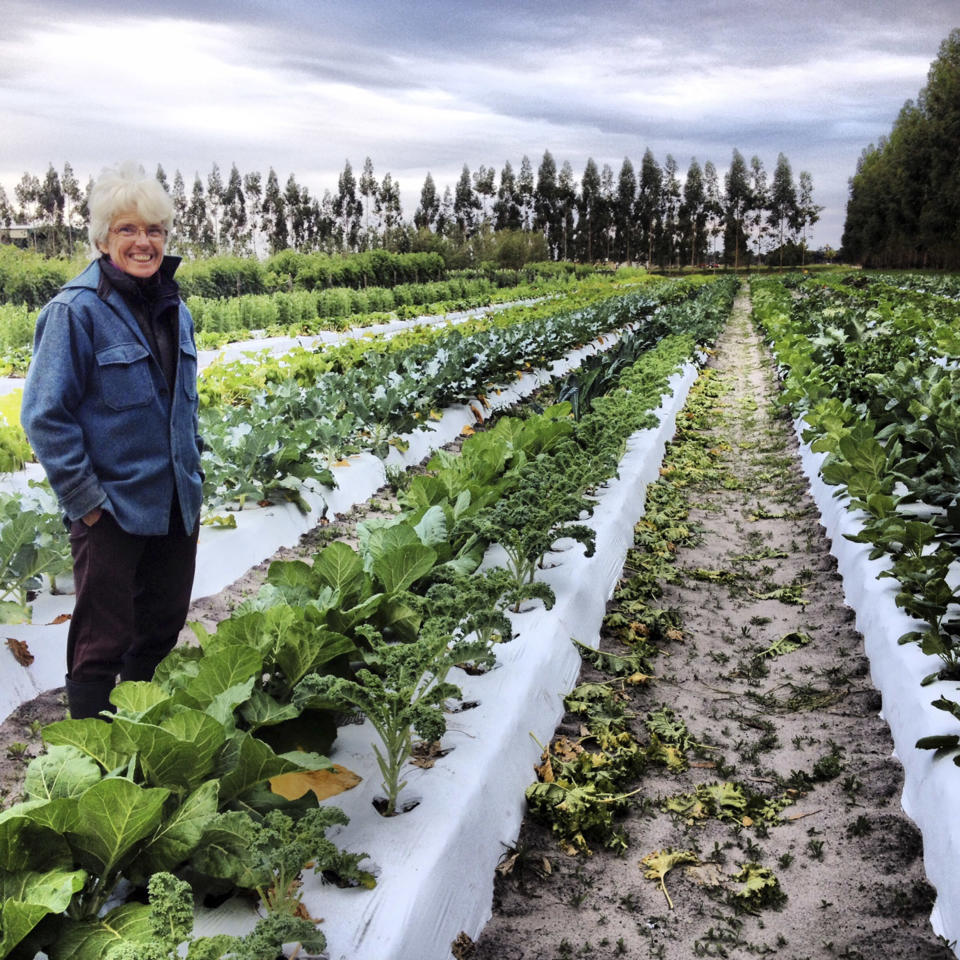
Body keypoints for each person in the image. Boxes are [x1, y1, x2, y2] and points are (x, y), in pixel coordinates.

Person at [21, 162, 203, 719]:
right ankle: (95, 755)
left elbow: (181, 406)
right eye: (128, 230)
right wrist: (89, 505)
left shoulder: (175, 309)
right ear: (103, 238)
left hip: (174, 502)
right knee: (103, 642)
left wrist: (194, 473)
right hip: (112, 510)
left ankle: (136, 727)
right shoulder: (75, 311)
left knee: (162, 627)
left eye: (154, 231)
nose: (144, 242)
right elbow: (44, 415)